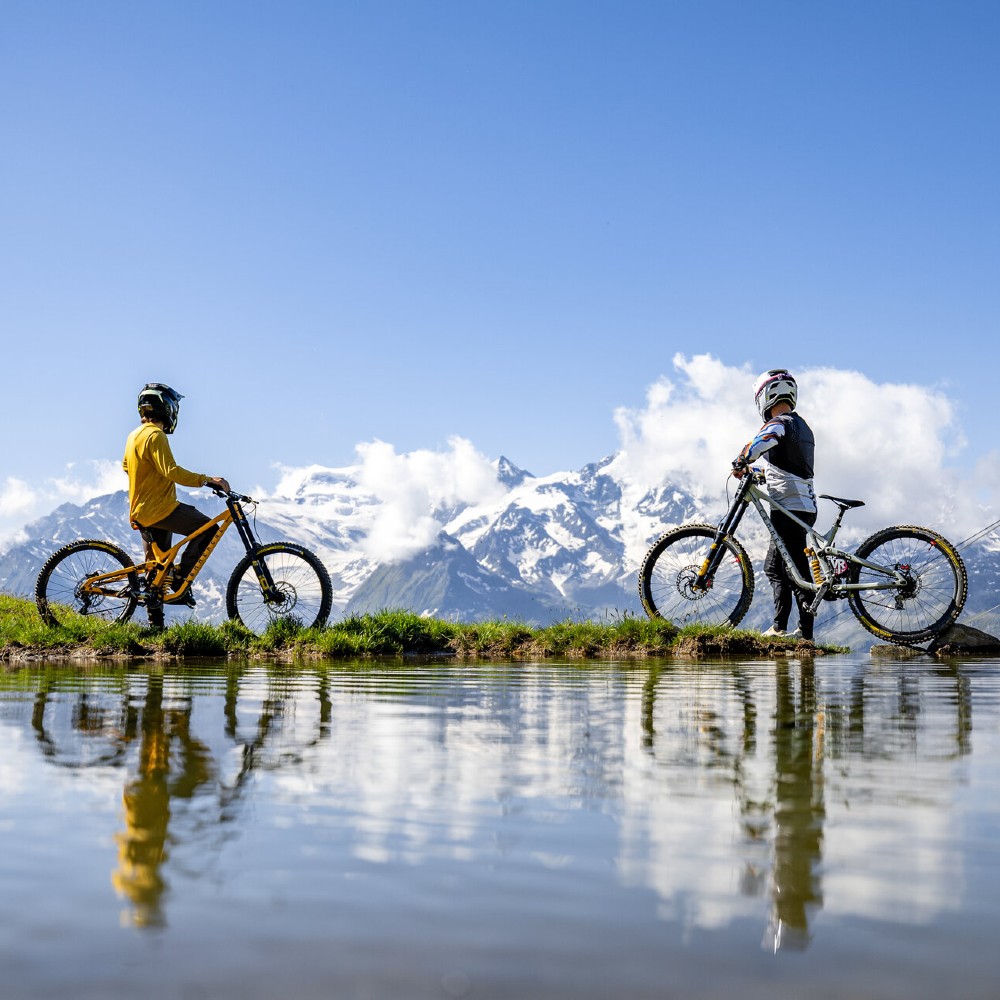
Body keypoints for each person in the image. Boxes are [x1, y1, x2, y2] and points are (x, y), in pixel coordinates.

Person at [122, 383, 230, 627]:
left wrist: (147, 478)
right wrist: (206, 480)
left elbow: (126, 466)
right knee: (208, 528)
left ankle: (156, 626)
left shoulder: (134, 435)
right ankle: (181, 578)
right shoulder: (155, 435)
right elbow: (171, 471)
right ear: (168, 409)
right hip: (161, 509)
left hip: (141, 511)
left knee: (157, 570)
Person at [733, 369, 817, 641]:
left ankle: (798, 634)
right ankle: (788, 629)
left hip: (788, 508)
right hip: (803, 505)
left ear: (764, 397)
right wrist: (758, 473)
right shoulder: (802, 425)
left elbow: (763, 441)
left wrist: (742, 458)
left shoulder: (779, 422)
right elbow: (787, 468)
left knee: (793, 571)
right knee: (779, 566)